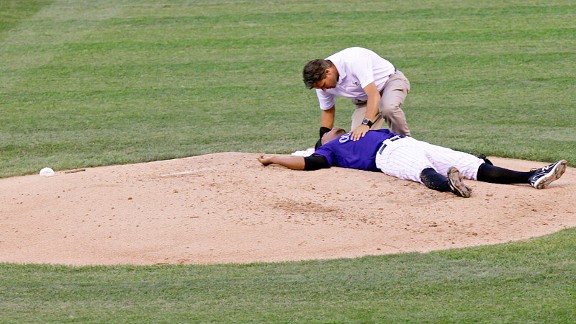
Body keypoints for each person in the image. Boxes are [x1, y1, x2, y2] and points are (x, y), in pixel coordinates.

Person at [258, 128, 567, 198]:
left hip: (409, 142)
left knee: (470, 163)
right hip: (387, 157)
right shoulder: (331, 151)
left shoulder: (361, 130)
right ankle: (449, 185)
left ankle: (531, 176)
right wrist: (274, 158)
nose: (335, 130)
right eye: (329, 133)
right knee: (422, 172)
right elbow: (309, 163)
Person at [302, 47, 411, 147]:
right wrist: (323, 139)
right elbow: (328, 111)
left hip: (390, 82)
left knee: (388, 108)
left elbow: (373, 95)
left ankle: (407, 144)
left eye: (323, 85)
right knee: (357, 140)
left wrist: (366, 124)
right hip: (365, 99)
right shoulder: (321, 84)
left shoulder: (353, 60)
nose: (324, 90)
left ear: (328, 72)